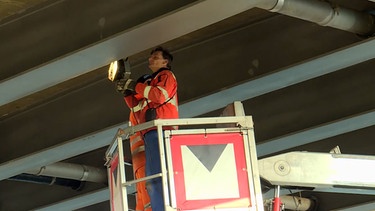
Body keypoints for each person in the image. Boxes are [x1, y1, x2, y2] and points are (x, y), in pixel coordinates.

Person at [117, 46, 178, 211]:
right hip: (151, 133)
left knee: (157, 177)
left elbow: (159, 96)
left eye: (156, 56)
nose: (151, 59)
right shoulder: (150, 84)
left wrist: (135, 86)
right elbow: (136, 109)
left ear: (165, 61)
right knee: (152, 180)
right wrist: (127, 93)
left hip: (162, 131)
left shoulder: (166, 75)